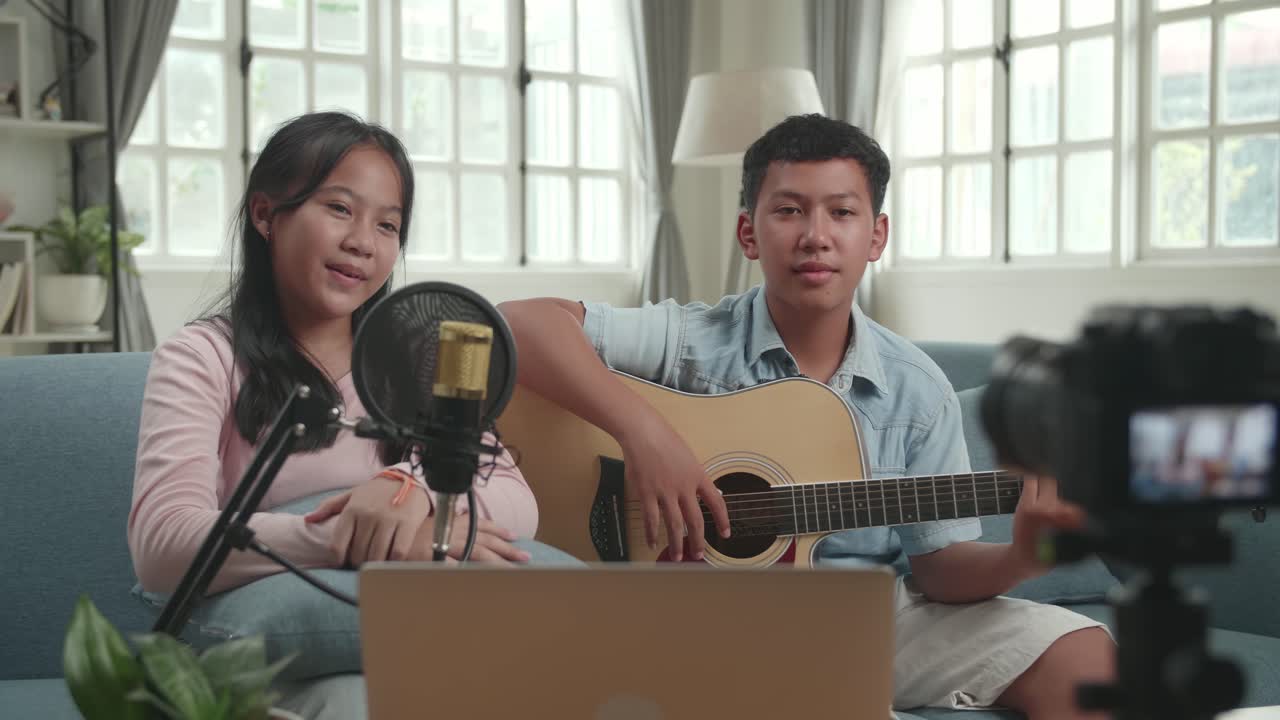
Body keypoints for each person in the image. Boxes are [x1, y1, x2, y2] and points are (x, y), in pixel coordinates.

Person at [499, 114, 1115, 719]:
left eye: (842, 213)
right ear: (749, 233)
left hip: (858, 618)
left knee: (1085, 657)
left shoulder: (917, 389)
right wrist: (646, 435)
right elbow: (520, 323)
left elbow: (940, 572)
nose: (815, 235)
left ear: (876, 237)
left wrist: (1022, 558)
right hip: (692, 621)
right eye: (789, 210)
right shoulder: (693, 340)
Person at [127, 111, 545, 718]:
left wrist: (407, 492)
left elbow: (514, 496)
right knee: (357, 701)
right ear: (266, 214)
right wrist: (352, 537)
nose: (363, 243)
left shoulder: (419, 361)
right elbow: (162, 542)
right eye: (340, 209)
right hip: (278, 661)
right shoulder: (202, 357)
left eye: (388, 224)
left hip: (418, 637)